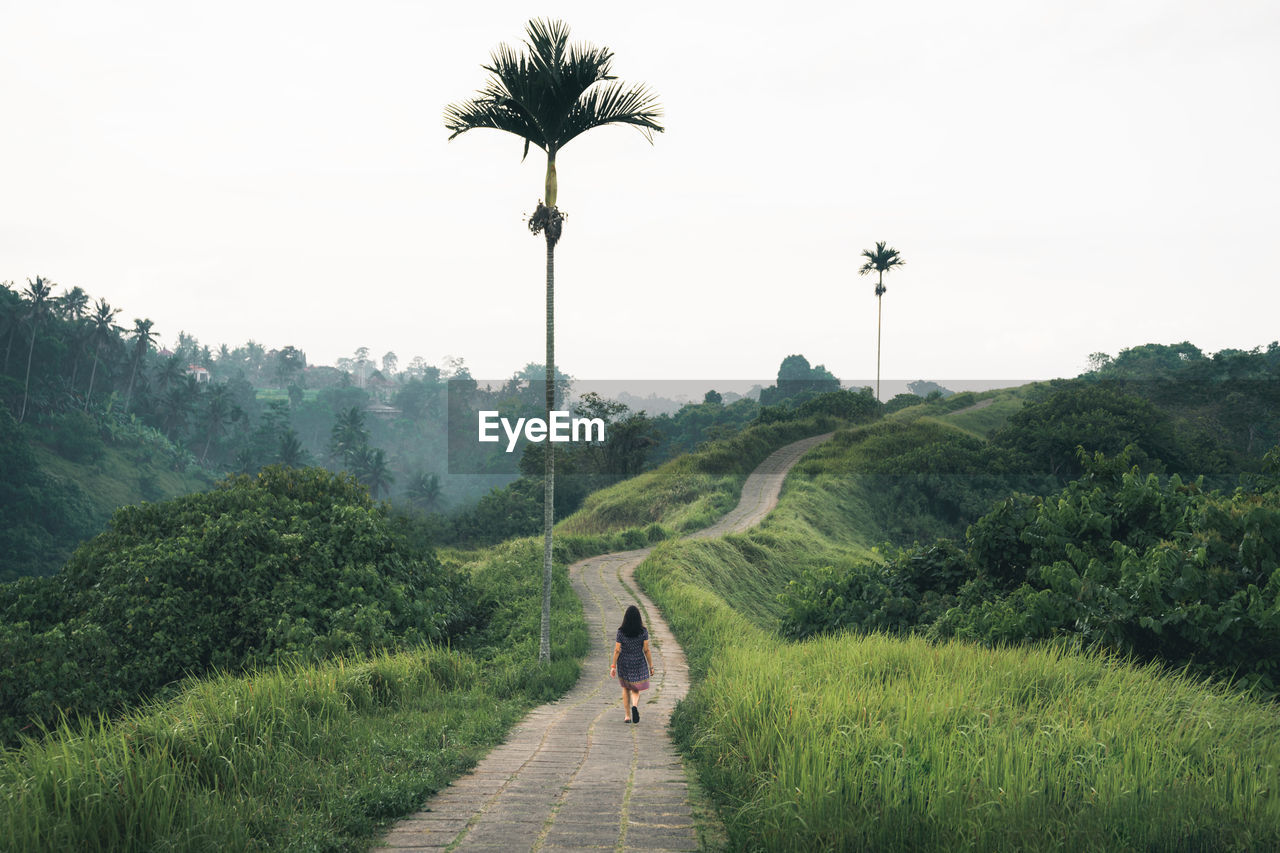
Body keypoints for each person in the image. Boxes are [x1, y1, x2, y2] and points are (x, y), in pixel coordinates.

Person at [611, 604, 655, 723]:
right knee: (636, 687)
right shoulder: (643, 631)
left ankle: (627, 716)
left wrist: (613, 666)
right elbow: (646, 650)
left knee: (626, 688)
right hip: (638, 661)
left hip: (624, 662)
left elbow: (617, 650)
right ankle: (634, 706)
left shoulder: (621, 632)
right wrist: (651, 666)